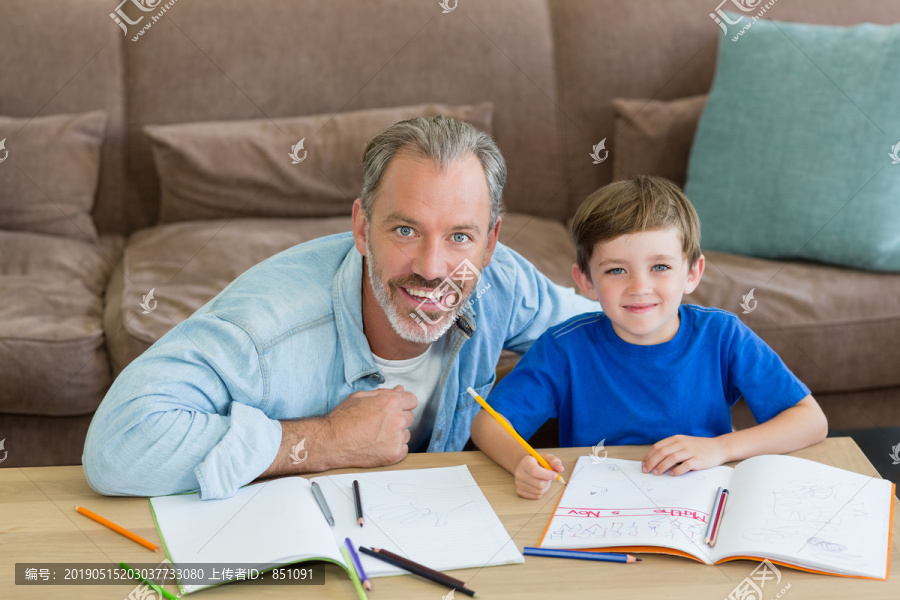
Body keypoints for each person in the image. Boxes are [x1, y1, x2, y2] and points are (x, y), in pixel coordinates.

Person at [82, 115, 595, 499]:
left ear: (489, 243)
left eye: (460, 235)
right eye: (405, 230)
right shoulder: (264, 331)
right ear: (361, 228)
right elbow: (116, 449)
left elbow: (619, 332)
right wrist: (326, 440)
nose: (434, 268)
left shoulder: (498, 279)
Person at [470, 176, 828, 499]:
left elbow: (811, 420)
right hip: (597, 507)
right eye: (616, 270)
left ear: (692, 273)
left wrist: (720, 448)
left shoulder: (723, 335)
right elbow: (488, 423)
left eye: (660, 267)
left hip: (702, 501)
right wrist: (521, 462)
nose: (640, 288)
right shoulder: (563, 348)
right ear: (586, 282)